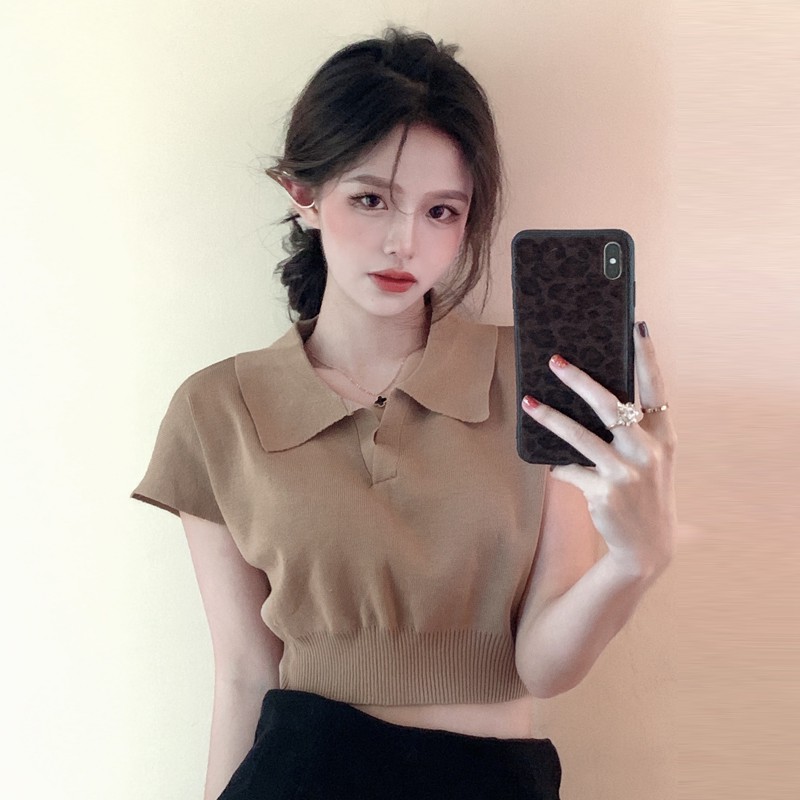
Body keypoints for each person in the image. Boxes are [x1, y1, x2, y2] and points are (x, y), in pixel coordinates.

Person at [132, 27, 677, 800]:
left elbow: (543, 667)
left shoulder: (543, 380)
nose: (404, 242)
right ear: (303, 194)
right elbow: (245, 674)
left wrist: (634, 561)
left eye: (441, 212)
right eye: (371, 199)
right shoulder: (218, 408)